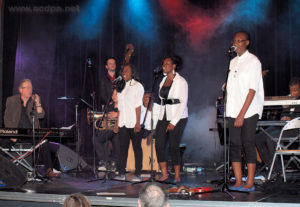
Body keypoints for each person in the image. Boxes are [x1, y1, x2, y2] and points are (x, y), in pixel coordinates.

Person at [226, 31, 264, 192]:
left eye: (239, 41)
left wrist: (241, 114)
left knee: (248, 143)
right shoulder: (233, 62)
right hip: (232, 109)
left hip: (249, 110)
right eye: (234, 40)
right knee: (234, 144)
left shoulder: (253, 61)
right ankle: (238, 180)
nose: (236, 43)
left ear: (247, 43)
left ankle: (250, 180)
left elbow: (251, 90)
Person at [3, 79, 59, 178]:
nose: (30, 90)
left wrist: (38, 103)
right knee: (3, 146)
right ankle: (4, 171)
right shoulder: (11, 100)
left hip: (31, 134)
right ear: (20, 89)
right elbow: (6, 118)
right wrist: (12, 134)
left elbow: (41, 115)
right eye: (27, 88)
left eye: (31, 88)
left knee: (44, 142)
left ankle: (49, 170)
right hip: (15, 133)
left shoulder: (34, 100)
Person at [255, 77, 300, 177]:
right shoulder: (287, 98)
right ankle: (270, 166)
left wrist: (290, 117)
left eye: (295, 90)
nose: (292, 93)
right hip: (282, 126)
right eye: (291, 90)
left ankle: (276, 170)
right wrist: (284, 116)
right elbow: (282, 114)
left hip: (295, 129)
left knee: (271, 139)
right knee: (258, 138)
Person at [155, 56, 188, 183]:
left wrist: (173, 121)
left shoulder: (181, 81)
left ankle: (177, 175)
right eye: (163, 63)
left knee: (174, 146)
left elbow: (183, 102)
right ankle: (164, 173)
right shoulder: (162, 80)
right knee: (159, 144)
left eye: (167, 63)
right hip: (163, 114)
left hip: (178, 116)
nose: (164, 65)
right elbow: (162, 99)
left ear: (174, 66)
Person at [113, 63, 144, 181]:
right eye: (123, 71)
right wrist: (116, 123)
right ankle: (121, 172)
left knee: (137, 148)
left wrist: (137, 123)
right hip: (123, 123)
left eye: (127, 70)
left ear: (132, 73)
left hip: (134, 122)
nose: (124, 72)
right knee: (122, 149)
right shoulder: (120, 87)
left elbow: (138, 106)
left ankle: (138, 174)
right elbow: (120, 107)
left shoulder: (137, 86)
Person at [94, 57, 119, 171]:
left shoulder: (120, 79)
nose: (112, 65)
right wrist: (112, 100)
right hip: (108, 111)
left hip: (119, 112)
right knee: (104, 138)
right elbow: (103, 96)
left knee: (115, 139)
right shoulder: (103, 80)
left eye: (114, 63)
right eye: (110, 63)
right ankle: (106, 161)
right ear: (106, 66)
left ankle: (113, 162)